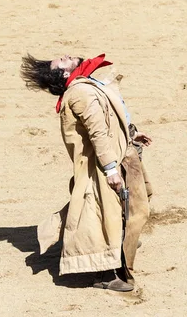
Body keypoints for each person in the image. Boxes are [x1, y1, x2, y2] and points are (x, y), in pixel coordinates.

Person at [20, 52, 153, 292]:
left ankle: (123, 246)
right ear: (64, 73)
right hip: (103, 166)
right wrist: (111, 169)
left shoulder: (83, 87)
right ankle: (114, 275)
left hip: (115, 157)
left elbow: (108, 118)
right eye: (61, 60)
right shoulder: (80, 93)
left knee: (122, 210)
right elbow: (98, 132)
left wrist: (131, 134)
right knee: (104, 216)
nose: (65, 55)